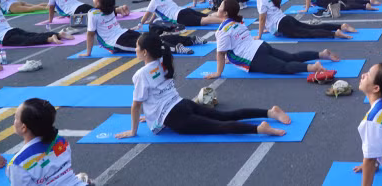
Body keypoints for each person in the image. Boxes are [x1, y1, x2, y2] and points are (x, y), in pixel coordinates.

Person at [114, 32, 291, 139]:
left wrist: (133, 131)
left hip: (175, 117)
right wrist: (153, 116)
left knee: (218, 127)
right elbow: (154, 97)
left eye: (136, 47)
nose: (135, 50)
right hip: (183, 104)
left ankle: (259, 129)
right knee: (225, 116)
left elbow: (136, 105)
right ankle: (269, 112)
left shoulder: (141, 75)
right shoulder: (162, 61)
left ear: (144, 53)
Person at [205, 0, 341, 78]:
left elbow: (220, 54)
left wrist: (218, 72)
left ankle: (312, 67)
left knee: (284, 67)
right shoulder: (237, 21)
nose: (217, 8)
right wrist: (232, 59)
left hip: (253, 57)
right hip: (260, 46)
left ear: (225, 12)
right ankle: (321, 54)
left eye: (220, 7)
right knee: (291, 57)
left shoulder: (222, 30)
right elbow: (234, 45)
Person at [81, 0, 202, 56]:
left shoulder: (93, 13)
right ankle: (190, 40)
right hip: (124, 33)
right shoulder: (110, 8)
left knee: (149, 46)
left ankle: (176, 49)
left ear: (99, 3)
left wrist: (88, 53)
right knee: (156, 39)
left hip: (116, 42)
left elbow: (90, 34)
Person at [8, 99, 88, 185]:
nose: (14, 120)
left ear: (24, 128)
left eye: (16, 117)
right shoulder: (61, 141)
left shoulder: (18, 163)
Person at [256, 0, 355, 39]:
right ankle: (340, 26)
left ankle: (334, 34)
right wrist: (268, 28)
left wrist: (259, 36)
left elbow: (262, 19)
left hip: (283, 24)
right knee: (311, 27)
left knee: (308, 33)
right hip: (286, 19)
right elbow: (271, 14)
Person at [0, 0, 73, 47]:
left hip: (4, 37)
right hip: (12, 30)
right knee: (32, 35)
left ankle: (51, 39)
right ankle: (58, 34)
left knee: (28, 40)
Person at [137, 0, 224, 28]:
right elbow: (155, 12)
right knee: (207, 15)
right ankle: (230, 18)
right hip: (183, 11)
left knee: (204, 20)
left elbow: (147, 14)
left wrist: (140, 24)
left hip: (180, 17)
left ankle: (225, 21)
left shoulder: (154, 0)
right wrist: (151, 21)